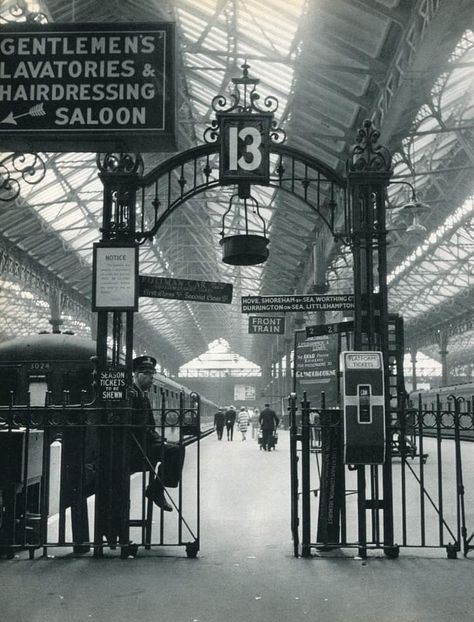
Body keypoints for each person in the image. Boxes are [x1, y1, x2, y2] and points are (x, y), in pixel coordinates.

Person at [130, 355, 185, 512]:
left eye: (152, 375)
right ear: (138, 374)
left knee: (175, 449)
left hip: (142, 444)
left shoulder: (141, 395)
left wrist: (159, 439)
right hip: (136, 448)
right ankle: (156, 490)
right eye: (148, 375)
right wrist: (159, 439)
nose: (151, 379)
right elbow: (140, 427)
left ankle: (156, 489)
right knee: (176, 451)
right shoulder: (133, 395)